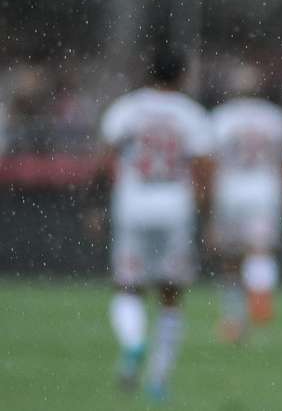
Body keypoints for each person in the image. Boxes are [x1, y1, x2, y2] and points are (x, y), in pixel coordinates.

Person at [98, 50, 213, 399]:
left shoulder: (127, 108)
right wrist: (205, 216)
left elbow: (106, 157)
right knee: (171, 296)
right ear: (181, 76)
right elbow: (205, 169)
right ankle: (159, 379)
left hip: (133, 203)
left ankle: (133, 343)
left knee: (127, 286)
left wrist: (94, 205)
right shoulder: (191, 114)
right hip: (174, 207)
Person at [210, 66, 282, 341]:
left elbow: (211, 161)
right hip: (264, 189)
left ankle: (233, 320)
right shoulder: (275, 118)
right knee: (260, 251)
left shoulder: (221, 118)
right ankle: (260, 297)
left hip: (230, 189)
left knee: (230, 258)